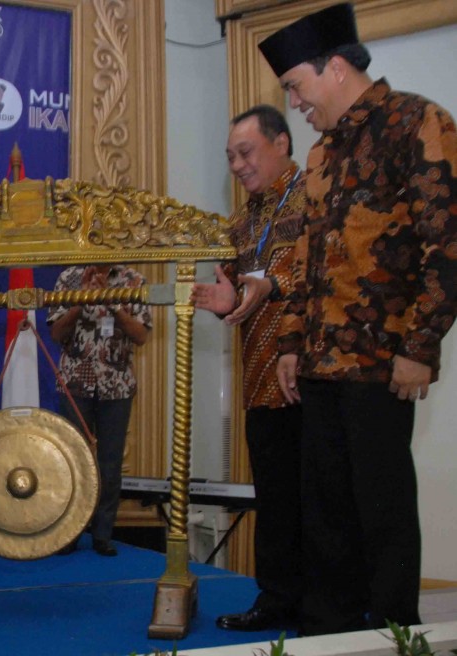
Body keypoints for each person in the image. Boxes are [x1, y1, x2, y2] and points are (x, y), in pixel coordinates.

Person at [259, 2, 457, 635]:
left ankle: (395, 630)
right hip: (317, 362)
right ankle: (328, 631)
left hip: (382, 361)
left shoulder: (418, 123)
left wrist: (420, 346)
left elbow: (446, 244)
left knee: (382, 507)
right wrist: (289, 343)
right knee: (325, 511)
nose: (295, 103)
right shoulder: (320, 157)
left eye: (296, 86)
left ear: (336, 67)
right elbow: (306, 258)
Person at [191, 105, 305, 632]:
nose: (237, 164)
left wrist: (267, 286)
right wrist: (225, 298)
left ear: (281, 143)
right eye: (230, 156)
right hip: (259, 383)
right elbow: (237, 292)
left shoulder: (316, 199)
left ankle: (333, 605)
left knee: (325, 502)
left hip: (315, 378)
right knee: (277, 502)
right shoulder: (242, 222)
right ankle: (277, 601)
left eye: (246, 152)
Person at [47, 264, 152, 556]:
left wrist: (114, 305)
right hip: (74, 384)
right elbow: (56, 333)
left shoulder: (135, 279)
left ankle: (102, 534)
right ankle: (69, 533)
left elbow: (141, 335)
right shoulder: (67, 278)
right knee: (72, 460)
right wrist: (80, 303)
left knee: (110, 464)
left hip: (116, 386)